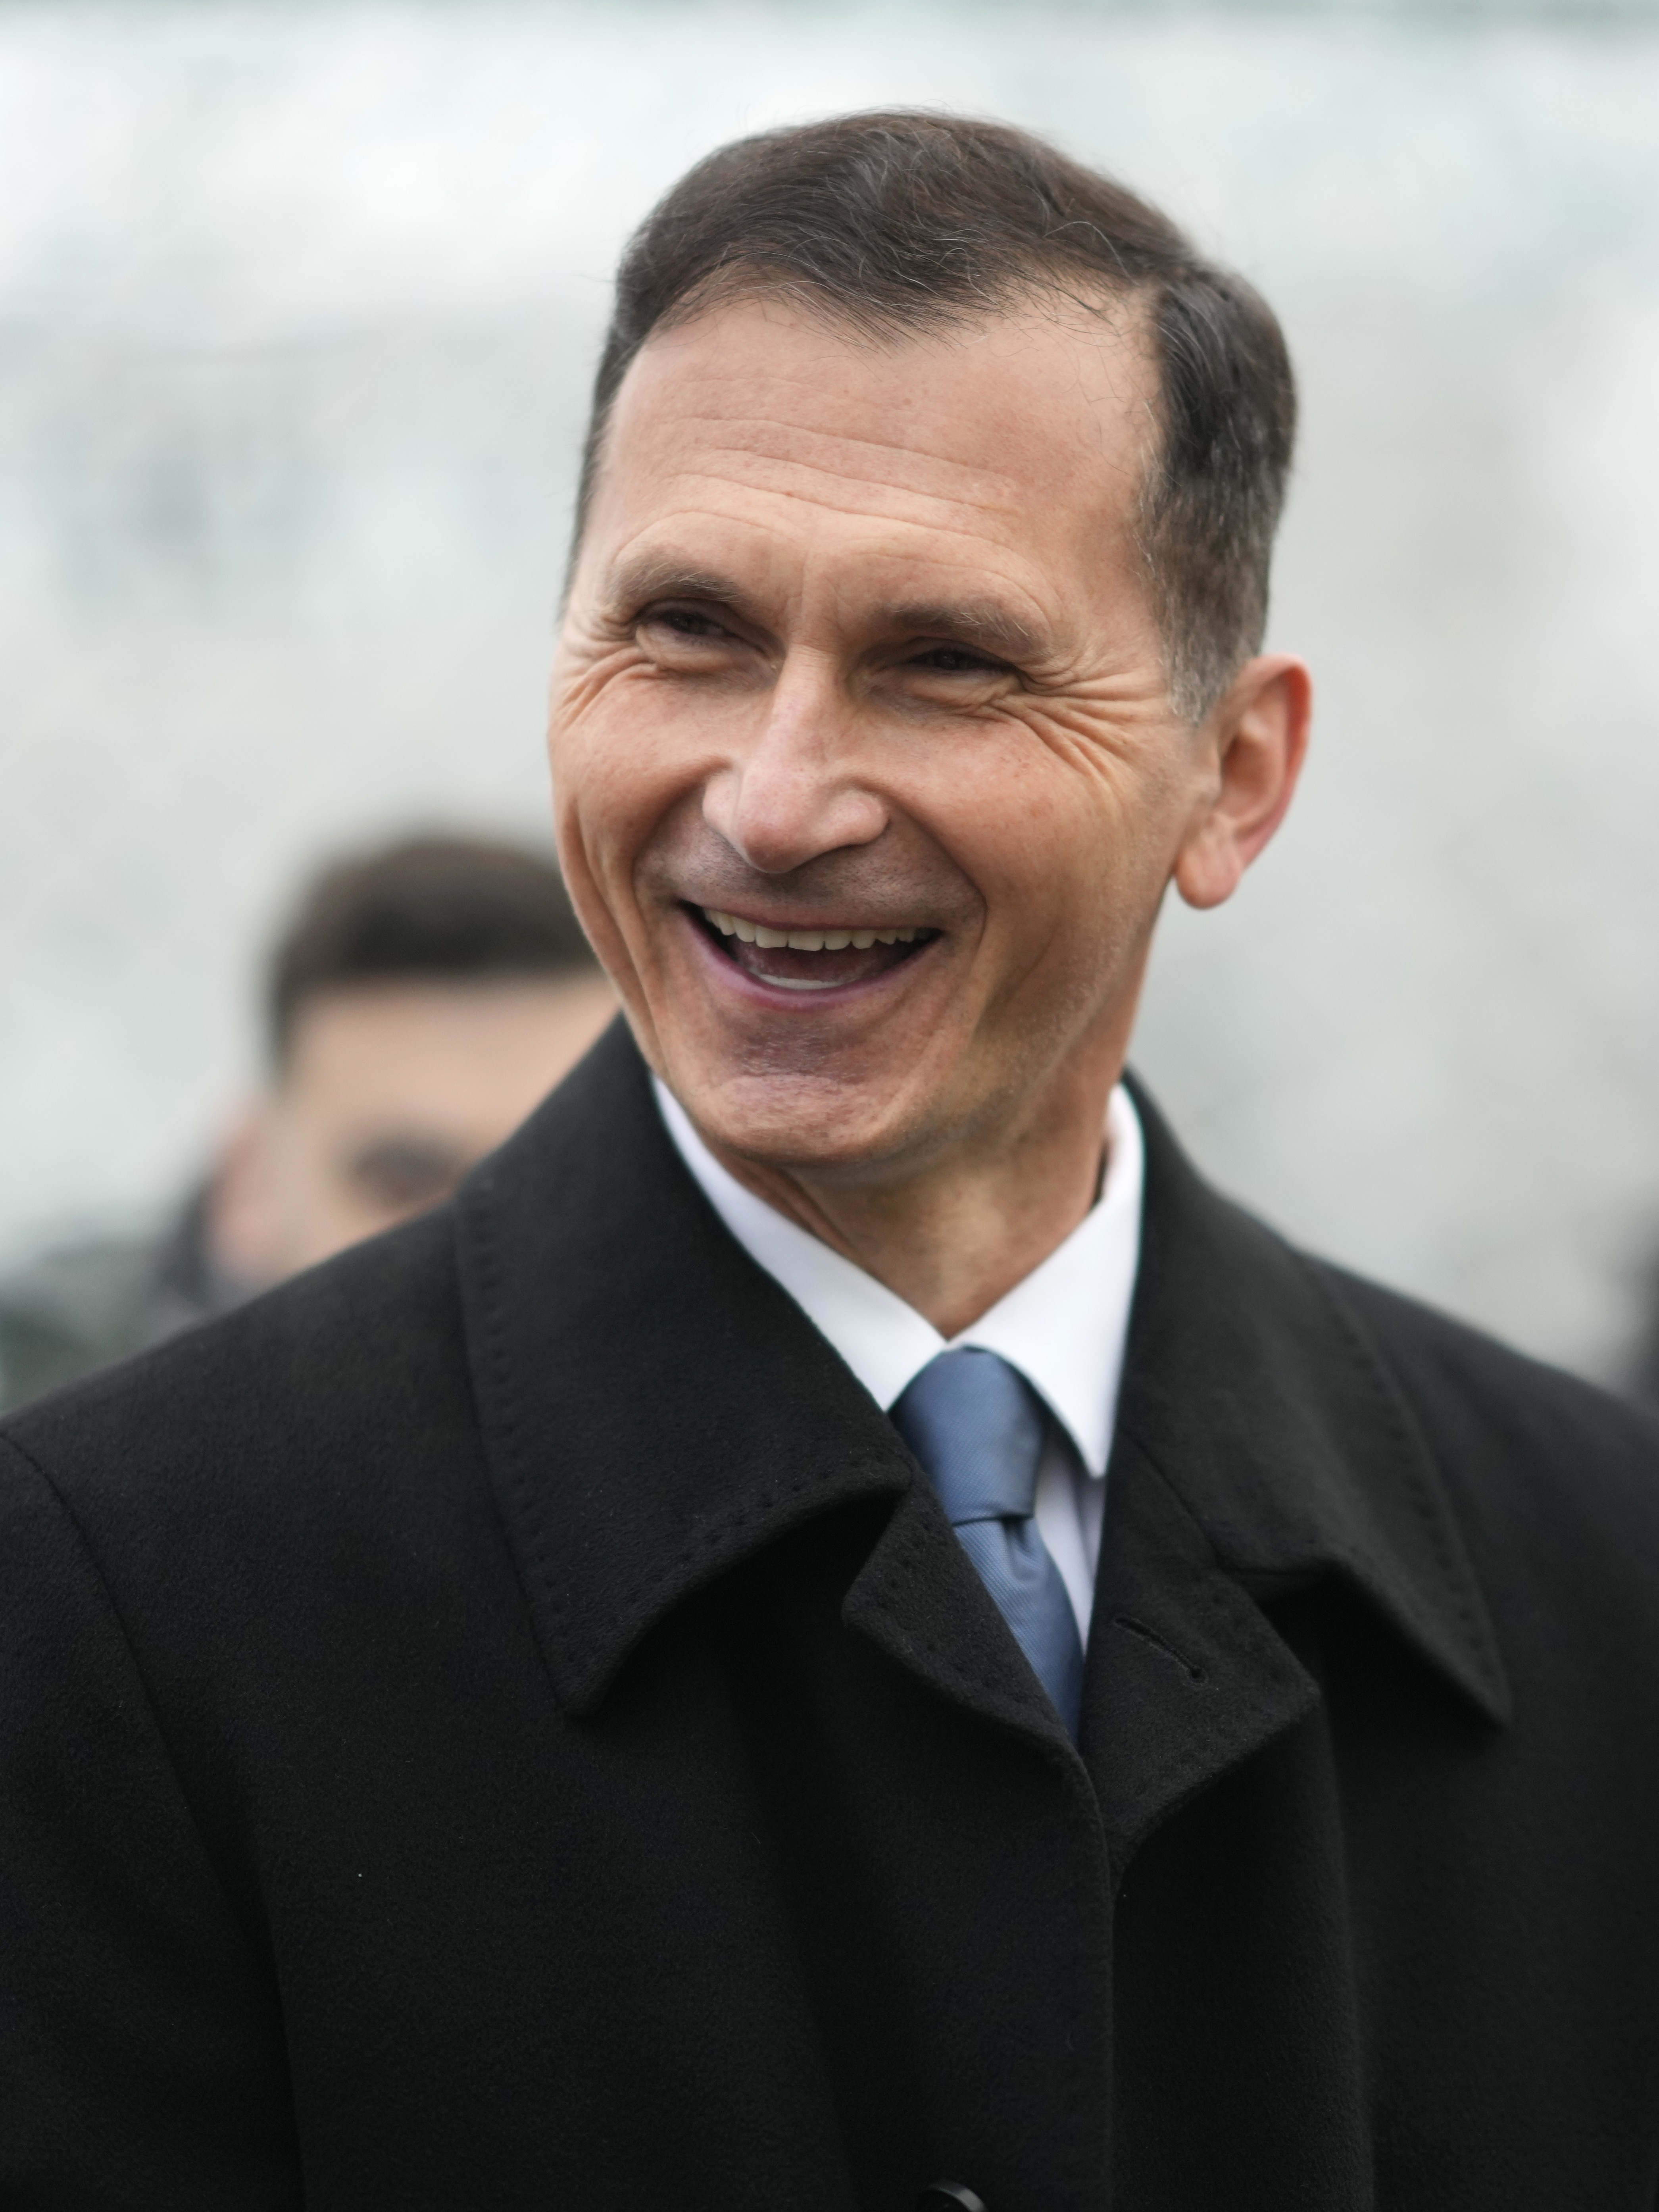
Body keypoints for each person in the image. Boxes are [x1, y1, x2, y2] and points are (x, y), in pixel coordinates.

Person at [3, 112, 1657, 2210]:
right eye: (683, 629)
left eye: (943, 660)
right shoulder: (125, 1602)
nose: (774, 799)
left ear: (1229, 779)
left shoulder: (1595, 1582)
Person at [0, 833, 613, 1412]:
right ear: (249, 1185)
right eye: (404, 1182)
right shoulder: (49, 1417)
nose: (489, 1250)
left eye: (560, 1175)